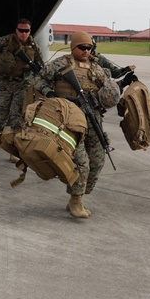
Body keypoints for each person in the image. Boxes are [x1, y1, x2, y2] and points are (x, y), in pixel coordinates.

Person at [41, 31, 129, 219]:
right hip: (69, 123)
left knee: (97, 161)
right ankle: (76, 200)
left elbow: (107, 92)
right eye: (82, 47)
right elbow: (36, 78)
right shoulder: (60, 64)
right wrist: (49, 94)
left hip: (93, 119)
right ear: (74, 47)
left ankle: (79, 194)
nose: (86, 51)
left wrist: (121, 85)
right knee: (83, 163)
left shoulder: (97, 68)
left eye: (89, 47)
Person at [0, 18, 43, 151]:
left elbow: (41, 63)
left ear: (30, 31)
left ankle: (15, 147)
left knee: (17, 117)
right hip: (4, 83)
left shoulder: (33, 46)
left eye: (26, 31)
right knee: (0, 115)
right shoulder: (5, 41)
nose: (24, 33)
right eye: (21, 30)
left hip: (22, 84)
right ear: (16, 30)